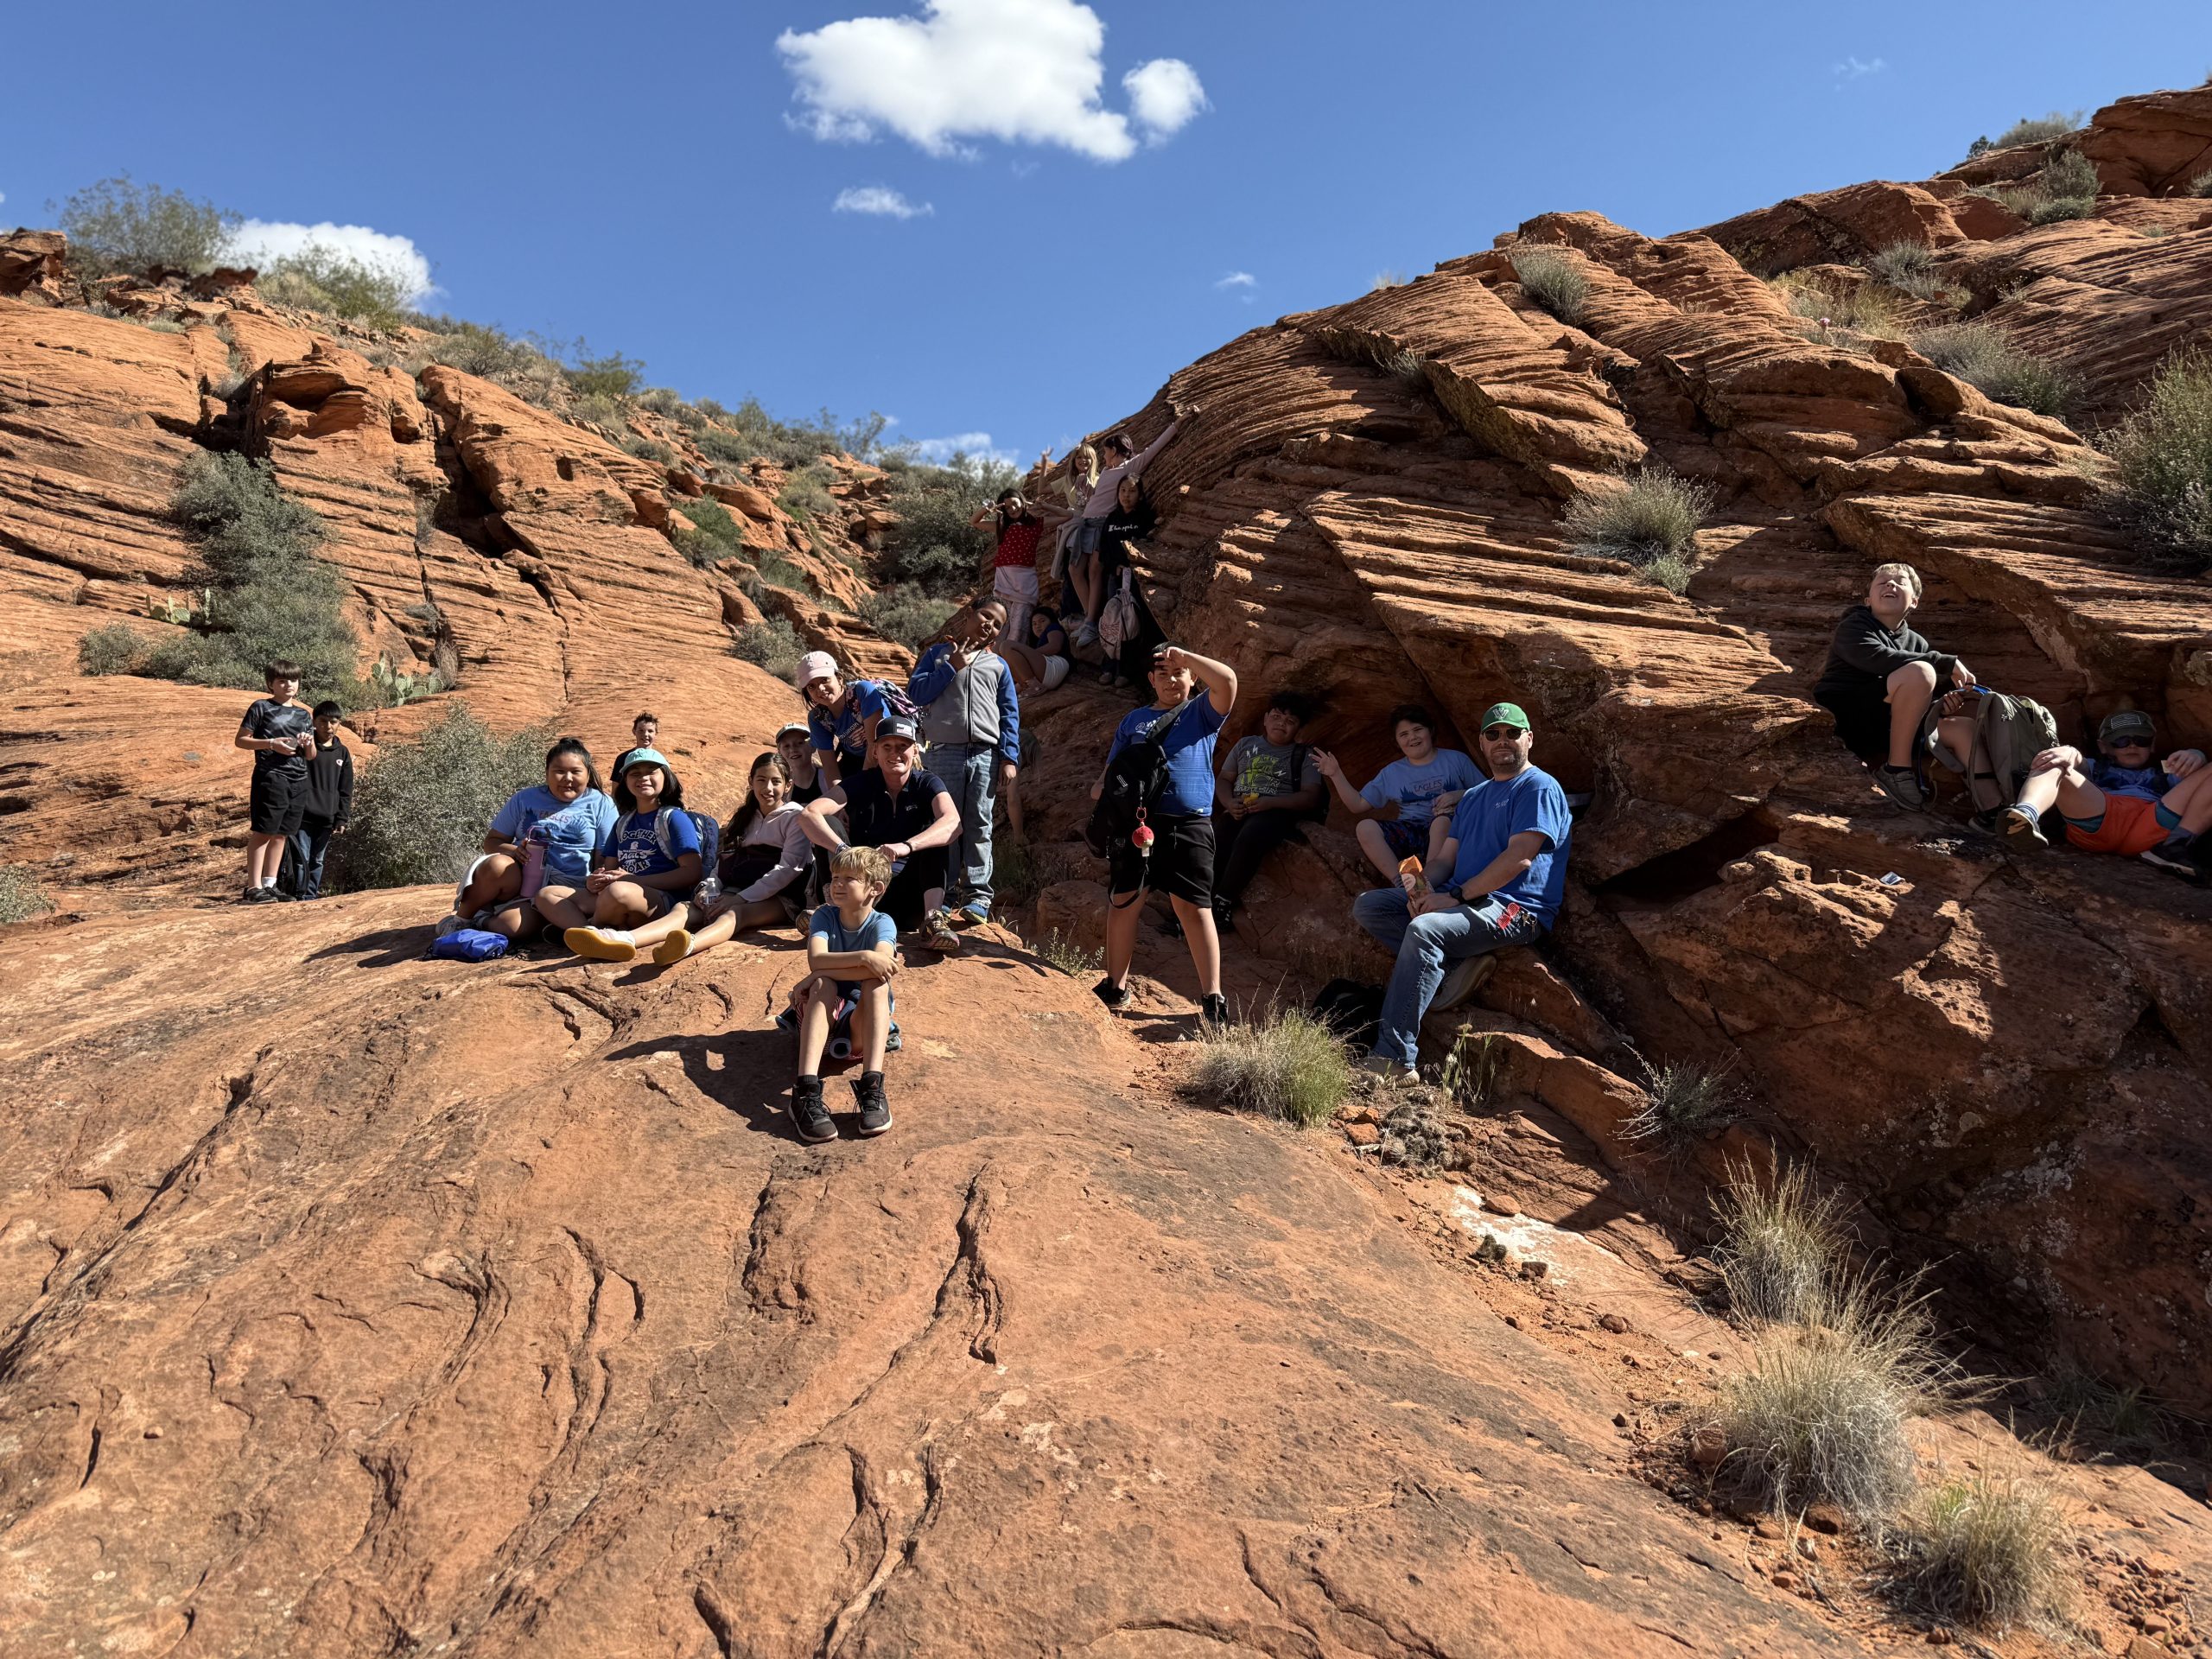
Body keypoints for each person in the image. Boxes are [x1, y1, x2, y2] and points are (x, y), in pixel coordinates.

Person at [1351, 702, 1572, 1076]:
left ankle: (1393, 1059)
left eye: (1512, 733)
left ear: (1529, 739)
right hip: (1463, 898)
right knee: (1370, 907)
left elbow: (1519, 858)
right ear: (1482, 744)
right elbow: (1446, 860)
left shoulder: (1538, 786)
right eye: (1493, 734)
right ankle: (1454, 969)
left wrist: (1452, 898)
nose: (1502, 740)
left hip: (1514, 908)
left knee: (1424, 931)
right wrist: (1420, 890)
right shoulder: (1472, 797)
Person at [1091, 644, 1239, 1028]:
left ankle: (1212, 998)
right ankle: (1115, 986)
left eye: (1179, 673)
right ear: (1150, 679)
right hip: (1137, 824)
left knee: (1193, 907)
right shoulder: (1133, 721)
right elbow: (1112, 773)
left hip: (1188, 824)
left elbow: (1227, 681)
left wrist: (1186, 656)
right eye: (1163, 673)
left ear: (1192, 678)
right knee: (1123, 902)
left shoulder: (1203, 712)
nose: (1172, 680)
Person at [598, 750, 817, 965]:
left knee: (734, 913)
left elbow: (789, 868)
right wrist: (707, 889)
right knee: (685, 909)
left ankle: (688, 945)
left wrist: (740, 898)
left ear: (788, 785)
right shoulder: (743, 819)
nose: (768, 788)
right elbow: (724, 863)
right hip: (734, 890)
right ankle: (627, 939)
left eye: (776, 782)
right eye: (761, 780)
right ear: (751, 781)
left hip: (782, 898)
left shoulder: (795, 818)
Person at [1812, 563, 1978, 810]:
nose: (1891, 584)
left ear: (1914, 602)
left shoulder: (1917, 643)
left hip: (1887, 728)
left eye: (1900, 582)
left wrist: (1942, 705)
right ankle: (1897, 770)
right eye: (1883, 582)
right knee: (1921, 671)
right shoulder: (1853, 626)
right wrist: (1942, 662)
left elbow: (1917, 697)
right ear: (1868, 599)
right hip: (1847, 719)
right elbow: (1879, 659)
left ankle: (1991, 805)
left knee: (1964, 727)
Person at [798, 716, 964, 949]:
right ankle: (834, 914)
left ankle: (932, 921)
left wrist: (906, 846)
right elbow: (809, 815)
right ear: (875, 751)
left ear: (915, 750)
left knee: (935, 834)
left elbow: (953, 823)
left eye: (902, 746)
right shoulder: (862, 783)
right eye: (887, 746)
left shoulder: (927, 783)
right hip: (861, 896)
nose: (895, 753)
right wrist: (845, 852)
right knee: (828, 822)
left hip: (911, 897)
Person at [910, 597, 1020, 931]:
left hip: (985, 754)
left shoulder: (998, 666)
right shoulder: (937, 655)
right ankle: (944, 894)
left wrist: (1009, 756)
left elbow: (1009, 714)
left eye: (997, 623)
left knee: (980, 824)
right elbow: (915, 694)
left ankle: (978, 897)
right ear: (970, 614)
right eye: (986, 615)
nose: (989, 624)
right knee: (946, 825)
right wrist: (950, 667)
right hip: (944, 751)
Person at [2001, 710, 2212, 879]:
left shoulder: (2166, 771)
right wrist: (2067, 751)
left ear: (2153, 744)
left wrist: (2196, 755)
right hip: (2102, 817)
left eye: (2141, 740)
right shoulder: (2095, 766)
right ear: (2103, 746)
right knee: (2055, 761)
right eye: (2120, 741)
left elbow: (2200, 784)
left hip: (2152, 822)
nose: (2131, 745)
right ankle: (2024, 816)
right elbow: (2076, 761)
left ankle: (2175, 846)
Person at [448, 739, 619, 943]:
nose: (567, 778)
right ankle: (461, 920)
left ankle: (484, 921)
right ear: (546, 773)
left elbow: (605, 857)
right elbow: (492, 842)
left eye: (575, 771)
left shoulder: (601, 803)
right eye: (559, 771)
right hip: (521, 880)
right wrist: (514, 851)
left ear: (588, 774)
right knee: (497, 863)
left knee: (512, 927)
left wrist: (598, 878)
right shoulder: (525, 798)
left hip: (567, 888)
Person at [787, 845, 902, 1143]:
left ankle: (872, 1088)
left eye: (848, 879)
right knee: (824, 985)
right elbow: (817, 960)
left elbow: (882, 972)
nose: (836, 884)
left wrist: (820, 973)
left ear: (875, 888)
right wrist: (863, 959)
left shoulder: (883, 923)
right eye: (835, 877)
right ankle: (805, 1091)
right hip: (821, 1020)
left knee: (876, 986)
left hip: (859, 1030)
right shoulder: (824, 916)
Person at [1314, 704, 1483, 885]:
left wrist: (1460, 794)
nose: (1412, 737)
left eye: (1418, 729)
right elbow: (1358, 805)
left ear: (1431, 731)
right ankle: (1404, 883)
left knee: (1441, 822)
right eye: (1404, 734)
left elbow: (1488, 791)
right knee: (1365, 827)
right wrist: (1335, 774)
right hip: (1409, 830)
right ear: (1396, 741)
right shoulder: (1392, 772)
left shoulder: (1456, 760)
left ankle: (1430, 881)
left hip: (1448, 829)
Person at [564, 749, 704, 958]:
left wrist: (635, 880)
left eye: (651, 772)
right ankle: (599, 935)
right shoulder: (623, 822)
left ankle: (594, 928)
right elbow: (610, 869)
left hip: (659, 900)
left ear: (666, 777)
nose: (643, 778)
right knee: (549, 895)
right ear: (626, 782)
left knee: (618, 891)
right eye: (635, 774)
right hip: (620, 895)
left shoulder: (674, 818)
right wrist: (596, 880)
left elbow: (692, 872)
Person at [1211, 690, 1325, 931]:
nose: (1281, 724)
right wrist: (1228, 802)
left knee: (1251, 835)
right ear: (1265, 719)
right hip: (1239, 807)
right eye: (1276, 716)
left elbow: (1310, 797)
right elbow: (1224, 779)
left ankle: (1223, 901)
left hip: (1277, 810)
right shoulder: (1245, 744)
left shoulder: (1305, 755)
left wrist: (1271, 803)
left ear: (1299, 730)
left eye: (1290, 721)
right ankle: (1201, 899)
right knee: (1219, 836)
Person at [1068, 417, 1187, 646]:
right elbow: (1099, 496)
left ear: (1115, 450)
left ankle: (1091, 623)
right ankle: (1089, 618)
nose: (1103, 457)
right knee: (1074, 570)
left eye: (1105, 452)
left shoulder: (1131, 466)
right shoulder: (1105, 471)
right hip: (1085, 523)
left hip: (1102, 524)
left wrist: (1177, 424)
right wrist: (1088, 489)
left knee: (1094, 571)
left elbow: (1155, 448)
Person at [234, 659, 316, 903]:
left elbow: (311, 756)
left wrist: (308, 743)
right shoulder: (261, 708)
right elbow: (241, 740)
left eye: (293, 680)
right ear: (271, 684)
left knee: (282, 833)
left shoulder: (304, 714)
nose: (288, 684)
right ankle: (253, 887)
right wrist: (271, 743)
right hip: (271, 776)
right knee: (263, 831)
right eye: (282, 680)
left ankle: (270, 885)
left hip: (299, 778)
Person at [970, 486, 1068, 650]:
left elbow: (1068, 515)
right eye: (1007, 507)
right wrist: (986, 508)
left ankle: (1013, 662)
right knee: (1001, 623)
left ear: (1023, 502)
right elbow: (974, 522)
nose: (1012, 509)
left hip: (1024, 581)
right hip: (1004, 579)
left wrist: (1045, 506)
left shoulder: (1036, 523)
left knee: (1019, 625)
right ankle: (995, 663)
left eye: (1015, 504)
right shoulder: (1002, 526)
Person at [1085, 474, 1160, 676]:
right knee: (1113, 621)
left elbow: (1150, 544)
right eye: (1123, 490)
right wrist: (1115, 566)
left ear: (1141, 494)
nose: (1127, 495)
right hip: (1115, 578)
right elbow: (1104, 549)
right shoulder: (1112, 518)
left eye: (1132, 491)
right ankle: (1110, 666)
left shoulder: (1145, 517)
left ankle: (1127, 671)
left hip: (1138, 580)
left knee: (1134, 623)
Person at [281, 700, 353, 900]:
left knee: (318, 860)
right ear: (314, 722)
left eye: (333, 722)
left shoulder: (342, 753)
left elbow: (346, 788)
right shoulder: (305, 747)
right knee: (300, 858)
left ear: (339, 724)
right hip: (303, 814)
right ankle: (299, 894)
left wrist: (342, 818)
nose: (328, 727)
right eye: (323, 722)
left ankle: (310, 896)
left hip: (327, 817)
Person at [798, 652, 901, 784]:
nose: (820, 689)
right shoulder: (817, 718)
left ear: (839, 678)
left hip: (890, 752)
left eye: (825, 680)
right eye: (811, 686)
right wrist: (838, 800)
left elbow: (874, 746)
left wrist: (862, 786)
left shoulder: (861, 692)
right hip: (856, 759)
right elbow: (830, 769)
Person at [1001, 608, 1072, 695]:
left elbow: (1055, 646)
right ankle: (1030, 685)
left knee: (1006, 646)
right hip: (1046, 674)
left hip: (1056, 665)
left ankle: (1035, 686)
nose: (1038, 625)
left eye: (1042, 621)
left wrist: (1028, 653)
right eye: (1034, 624)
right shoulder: (1037, 643)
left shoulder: (1053, 627)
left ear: (1051, 620)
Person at [611, 711, 660, 780]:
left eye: (650, 731)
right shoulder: (623, 758)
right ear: (634, 731)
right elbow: (616, 787)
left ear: (656, 733)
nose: (646, 734)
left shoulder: (659, 759)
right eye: (641, 731)